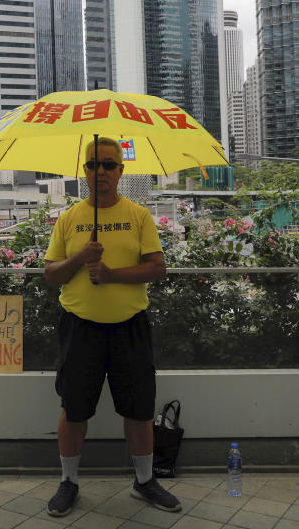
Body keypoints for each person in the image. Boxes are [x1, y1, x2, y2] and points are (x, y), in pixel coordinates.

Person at [43, 136, 181, 517]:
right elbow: (51, 275)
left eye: (108, 164)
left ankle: (144, 480)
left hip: (129, 327)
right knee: (74, 410)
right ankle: (68, 482)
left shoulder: (138, 215)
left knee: (138, 410)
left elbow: (158, 267)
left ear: (121, 171)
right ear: (83, 171)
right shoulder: (69, 218)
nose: (100, 172)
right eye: (93, 165)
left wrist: (111, 273)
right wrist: (81, 257)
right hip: (79, 328)